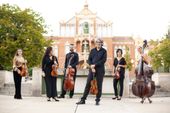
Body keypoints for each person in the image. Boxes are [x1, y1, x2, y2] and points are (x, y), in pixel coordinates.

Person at [76, 39, 107, 105]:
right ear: (96, 43)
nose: (98, 43)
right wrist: (91, 66)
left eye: (100, 42)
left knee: (99, 85)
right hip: (92, 70)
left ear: (101, 43)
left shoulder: (104, 51)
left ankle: (97, 100)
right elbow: (89, 60)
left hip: (100, 70)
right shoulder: (92, 51)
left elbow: (103, 60)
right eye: (97, 42)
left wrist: (94, 65)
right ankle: (83, 100)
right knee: (88, 84)